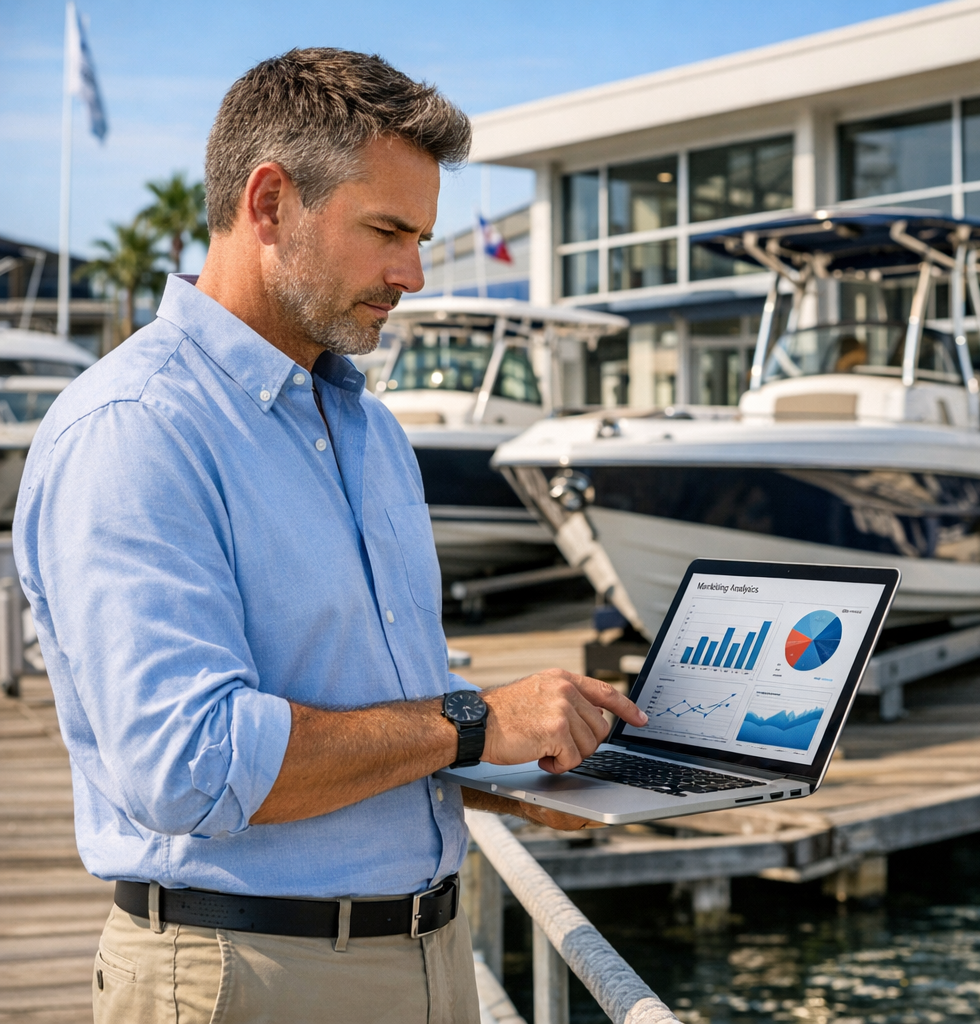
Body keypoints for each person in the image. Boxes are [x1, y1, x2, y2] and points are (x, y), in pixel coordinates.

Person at [13, 48, 647, 1024]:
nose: (415, 274)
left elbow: (378, 720)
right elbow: (188, 761)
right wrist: (474, 721)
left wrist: (533, 760)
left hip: (430, 959)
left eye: (422, 235)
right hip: (244, 976)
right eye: (388, 230)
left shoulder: (369, 429)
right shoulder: (135, 427)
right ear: (269, 203)